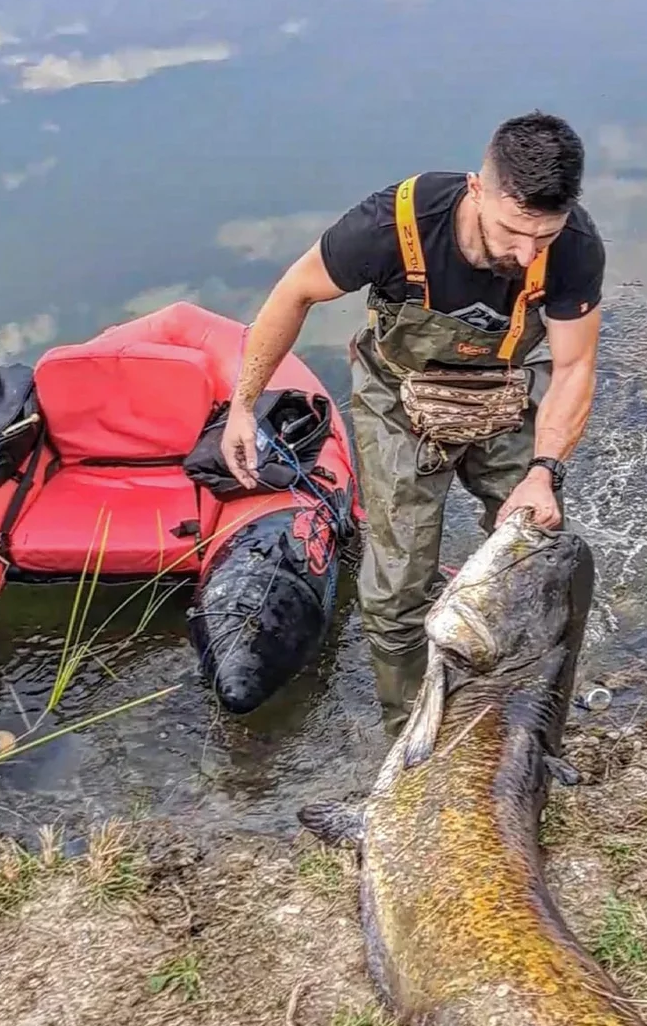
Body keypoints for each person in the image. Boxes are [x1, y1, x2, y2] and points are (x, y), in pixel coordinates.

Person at [220, 110, 605, 735]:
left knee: (540, 553)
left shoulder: (575, 247)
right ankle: (411, 734)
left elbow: (573, 366)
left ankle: (514, 719)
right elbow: (294, 294)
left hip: (506, 389)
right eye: (513, 231)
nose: (526, 252)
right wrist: (243, 405)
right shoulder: (391, 226)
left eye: (544, 236)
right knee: (397, 586)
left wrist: (543, 472)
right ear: (478, 189)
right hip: (399, 398)